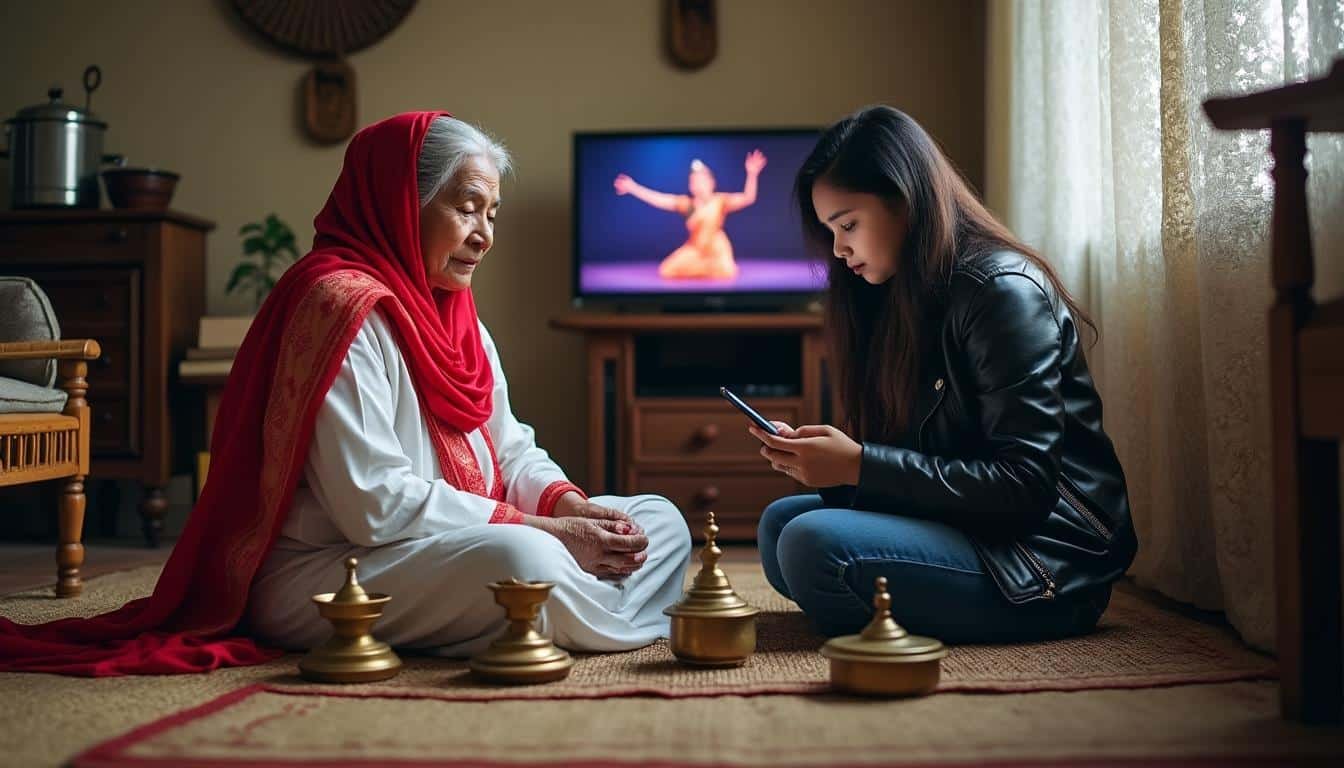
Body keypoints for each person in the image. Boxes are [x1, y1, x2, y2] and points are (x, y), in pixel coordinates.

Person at [0, 112, 691, 675]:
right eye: (467, 209)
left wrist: (570, 508)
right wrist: (545, 534)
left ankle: (560, 616)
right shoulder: (337, 307)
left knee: (660, 520)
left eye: (492, 214)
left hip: (438, 552)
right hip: (328, 569)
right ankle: (616, 617)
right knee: (524, 562)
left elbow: (511, 448)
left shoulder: (458, 315)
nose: (484, 236)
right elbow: (373, 503)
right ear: (402, 202)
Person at [753, 106, 1138, 644]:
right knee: (779, 526)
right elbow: (931, 456)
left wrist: (860, 465)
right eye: (830, 231)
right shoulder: (897, 294)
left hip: (1044, 560)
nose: (838, 249)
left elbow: (1025, 486)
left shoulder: (1000, 291)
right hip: (971, 526)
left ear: (905, 200)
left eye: (848, 225)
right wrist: (835, 465)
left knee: (810, 544)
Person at [613, 150, 766, 279]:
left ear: (712, 183)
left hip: (716, 249)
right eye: (694, 182)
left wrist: (752, 174)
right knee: (667, 270)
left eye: (702, 181)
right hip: (695, 249)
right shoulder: (687, 204)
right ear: (690, 186)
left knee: (726, 270)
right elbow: (660, 199)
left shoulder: (720, 201)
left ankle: (716, 267)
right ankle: (707, 269)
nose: (699, 185)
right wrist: (634, 188)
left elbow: (748, 198)